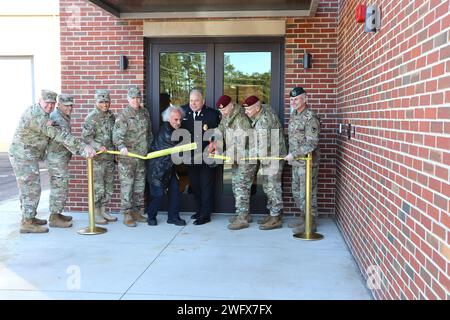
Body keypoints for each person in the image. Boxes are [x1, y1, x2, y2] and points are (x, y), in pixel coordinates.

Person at [9, 89, 96, 233]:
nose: (49, 106)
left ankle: (30, 217)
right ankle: (27, 222)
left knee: (29, 187)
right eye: (47, 103)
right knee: (31, 188)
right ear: (40, 100)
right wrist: (83, 147)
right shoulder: (37, 116)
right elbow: (59, 135)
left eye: (52, 103)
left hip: (28, 155)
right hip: (22, 155)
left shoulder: (44, 114)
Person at [242, 95, 287, 230]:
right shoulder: (264, 109)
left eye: (248, 109)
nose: (246, 112)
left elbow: (262, 148)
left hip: (273, 156)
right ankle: (272, 213)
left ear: (257, 108)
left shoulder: (263, 122)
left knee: (272, 186)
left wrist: (244, 155)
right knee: (268, 185)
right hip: (270, 155)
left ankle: (275, 217)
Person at [213, 95, 256, 230]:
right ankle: (242, 214)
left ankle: (242, 219)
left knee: (241, 186)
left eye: (225, 109)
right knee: (236, 186)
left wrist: (223, 154)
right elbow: (220, 129)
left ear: (231, 105)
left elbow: (240, 145)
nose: (223, 112)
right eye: (221, 111)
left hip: (245, 157)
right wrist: (216, 143)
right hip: (236, 158)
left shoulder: (241, 119)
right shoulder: (227, 116)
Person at [113, 86, 153, 227]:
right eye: (133, 98)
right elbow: (117, 135)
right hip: (127, 159)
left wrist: (150, 147)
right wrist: (121, 146)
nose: (136, 100)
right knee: (127, 187)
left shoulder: (144, 112)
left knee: (139, 186)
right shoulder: (123, 115)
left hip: (141, 157)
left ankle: (136, 211)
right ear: (128, 99)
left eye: (138, 97)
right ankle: (127, 214)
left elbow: (149, 133)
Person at [181, 90, 221, 225]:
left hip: (206, 156)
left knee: (206, 186)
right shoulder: (183, 111)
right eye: (191, 100)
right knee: (195, 185)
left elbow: (217, 135)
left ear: (202, 101)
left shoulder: (212, 114)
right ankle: (199, 210)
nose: (193, 103)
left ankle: (205, 214)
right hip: (191, 157)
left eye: (196, 100)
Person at [284, 87, 321, 233]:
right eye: (292, 99)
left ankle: (310, 223)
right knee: (297, 191)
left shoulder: (310, 117)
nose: (293, 102)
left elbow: (312, 143)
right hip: (296, 162)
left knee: (307, 193)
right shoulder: (294, 115)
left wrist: (294, 154)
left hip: (307, 162)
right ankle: (303, 217)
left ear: (305, 99)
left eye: (297, 99)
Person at [146, 105, 186, 226]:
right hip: (157, 170)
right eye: (175, 119)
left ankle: (173, 217)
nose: (179, 122)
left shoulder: (175, 130)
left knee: (175, 192)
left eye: (180, 119)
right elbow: (179, 152)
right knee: (158, 196)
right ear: (168, 119)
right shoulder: (167, 133)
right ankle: (151, 216)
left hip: (169, 168)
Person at [82, 89, 117, 224]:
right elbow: (86, 138)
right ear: (96, 102)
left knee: (108, 187)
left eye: (107, 101)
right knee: (98, 187)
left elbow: (114, 135)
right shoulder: (91, 118)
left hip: (109, 158)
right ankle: (96, 213)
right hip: (96, 160)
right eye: (101, 102)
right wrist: (98, 146)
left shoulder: (111, 116)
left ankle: (103, 210)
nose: (105, 104)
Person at [45, 94, 76, 228]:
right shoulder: (57, 119)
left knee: (60, 186)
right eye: (66, 105)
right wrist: (83, 151)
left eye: (71, 105)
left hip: (60, 158)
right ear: (59, 105)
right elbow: (66, 140)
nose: (70, 108)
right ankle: (54, 217)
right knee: (59, 187)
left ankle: (57, 213)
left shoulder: (63, 117)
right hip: (55, 159)